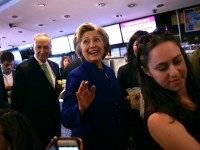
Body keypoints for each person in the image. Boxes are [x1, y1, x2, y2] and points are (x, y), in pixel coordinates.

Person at [61, 22, 126, 150]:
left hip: (117, 140)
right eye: (86, 41)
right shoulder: (76, 75)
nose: (92, 45)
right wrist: (80, 107)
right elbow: (66, 119)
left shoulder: (109, 71)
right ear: (80, 49)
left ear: (104, 45)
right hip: (94, 143)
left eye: (97, 40)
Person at [136, 33, 200, 149]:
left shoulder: (195, 90)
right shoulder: (159, 119)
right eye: (162, 68)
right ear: (147, 71)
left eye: (177, 61)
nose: (174, 72)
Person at [11, 33, 61, 149]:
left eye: (46, 47)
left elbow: (52, 92)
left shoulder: (54, 66)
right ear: (33, 47)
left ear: (51, 48)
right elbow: (16, 103)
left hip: (54, 122)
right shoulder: (23, 69)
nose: (42, 51)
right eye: (39, 47)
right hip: (35, 126)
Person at [117, 30, 148, 150]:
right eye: (137, 44)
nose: (141, 47)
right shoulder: (124, 70)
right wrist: (127, 99)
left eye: (144, 42)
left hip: (159, 117)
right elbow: (119, 99)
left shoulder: (156, 65)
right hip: (136, 121)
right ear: (131, 47)